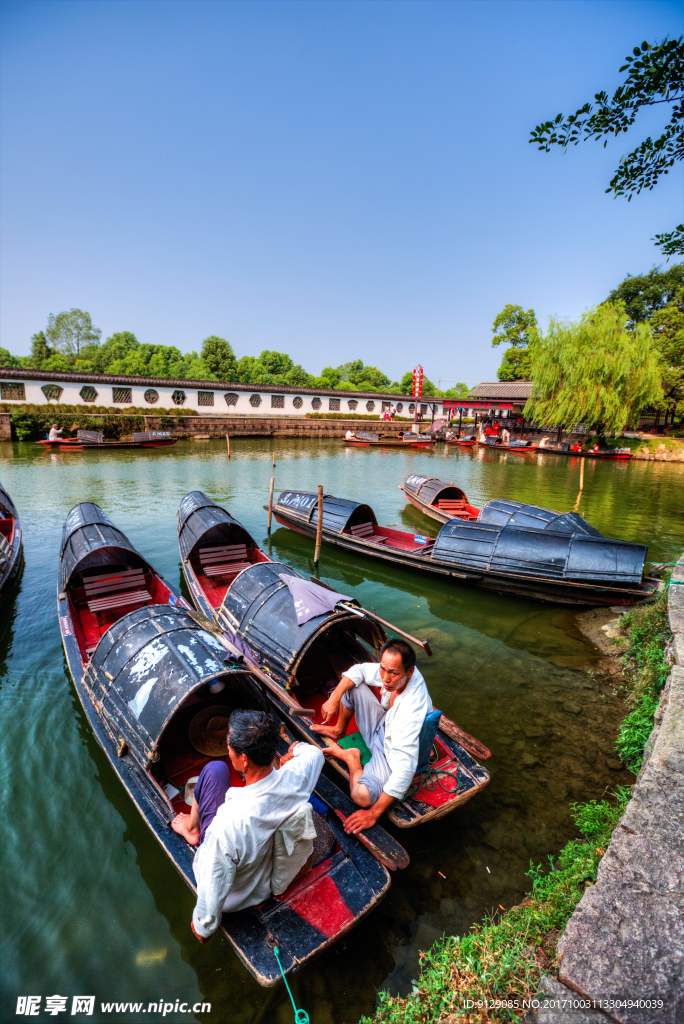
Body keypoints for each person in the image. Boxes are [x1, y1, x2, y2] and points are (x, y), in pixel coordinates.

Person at [172, 709, 324, 943]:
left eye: (229, 745)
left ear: (244, 759)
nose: (228, 749)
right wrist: (295, 750)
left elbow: (212, 886)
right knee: (219, 770)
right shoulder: (296, 778)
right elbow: (314, 753)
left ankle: (192, 828)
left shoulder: (226, 826)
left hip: (242, 894)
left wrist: (203, 928)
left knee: (214, 770)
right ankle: (192, 827)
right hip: (264, 878)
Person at [311, 639, 432, 835]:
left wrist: (373, 814)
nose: (385, 679)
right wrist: (333, 699)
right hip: (384, 725)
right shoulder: (391, 673)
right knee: (351, 685)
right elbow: (358, 671)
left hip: (391, 749)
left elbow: (405, 771)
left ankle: (352, 759)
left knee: (361, 797)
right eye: (383, 669)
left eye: (394, 673)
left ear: (410, 672)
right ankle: (339, 730)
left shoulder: (410, 711)